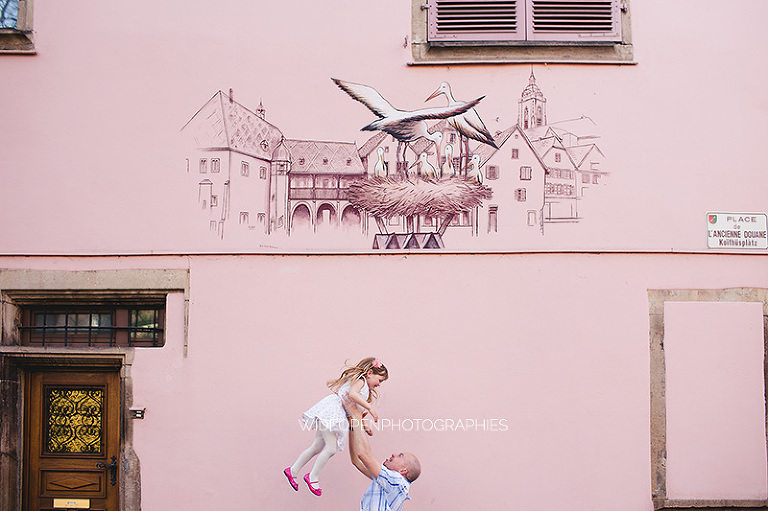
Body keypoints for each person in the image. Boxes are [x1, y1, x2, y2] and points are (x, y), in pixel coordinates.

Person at [284, 357, 388, 496]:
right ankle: (313, 477)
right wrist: (370, 408)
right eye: (380, 380)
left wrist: (365, 426)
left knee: (317, 447)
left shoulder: (365, 390)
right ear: (369, 373)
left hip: (334, 414)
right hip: (332, 412)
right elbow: (352, 394)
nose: (379, 384)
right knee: (331, 448)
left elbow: (355, 412)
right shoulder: (361, 381)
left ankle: (293, 470)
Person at [342, 394, 421, 511]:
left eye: (400, 456)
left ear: (403, 471)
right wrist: (353, 424)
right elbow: (357, 461)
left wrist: (356, 416)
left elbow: (364, 455)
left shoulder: (397, 482)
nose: (394, 454)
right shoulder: (386, 481)